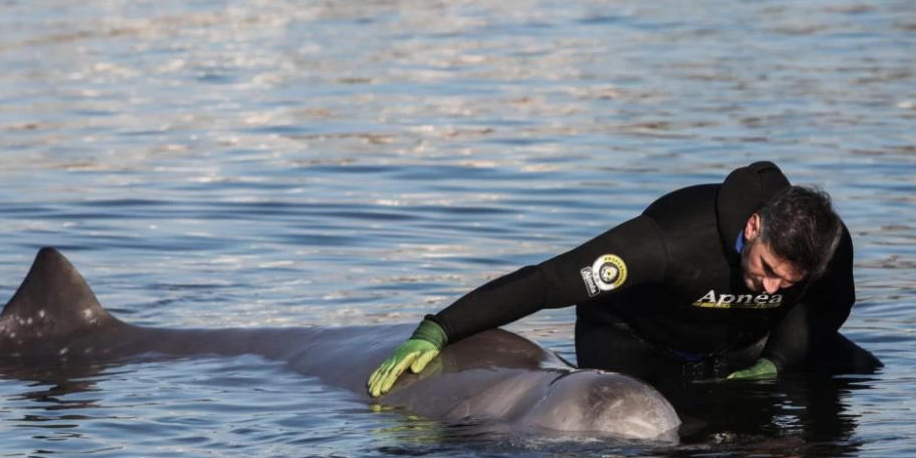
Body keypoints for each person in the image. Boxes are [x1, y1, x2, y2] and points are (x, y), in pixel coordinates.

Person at [367, 161, 881, 398]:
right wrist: (439, 328)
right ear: (754, 227)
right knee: (672, 427)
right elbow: (549, 281)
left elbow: (826, 310)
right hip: (634, 341)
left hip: (741, 345)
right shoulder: (671, 239)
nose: (771, 290)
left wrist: (776, 362)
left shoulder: (825, 249)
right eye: (767, 270)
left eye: (786, 284)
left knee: (859, 371)